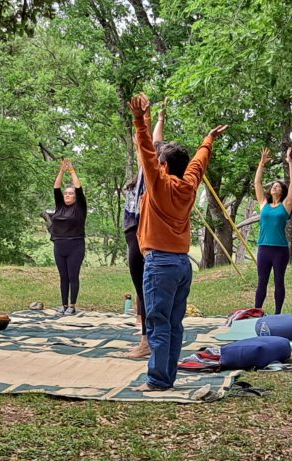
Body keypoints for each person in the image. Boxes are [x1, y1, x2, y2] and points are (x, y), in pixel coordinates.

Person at [126, 93, 227, 392]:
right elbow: (198, 163)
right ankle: (165, 378)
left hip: (160, 264)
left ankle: (157, 380)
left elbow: (145, 149)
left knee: (158, 323)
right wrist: (208, 140)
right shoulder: (189, 184)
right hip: (182, 264)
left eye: (159, 163)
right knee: (173, 323)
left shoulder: (160, 184)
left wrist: (140, 120)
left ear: (165, 167)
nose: (154, 164)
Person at [124, 103, 166, 359]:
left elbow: (149, 141)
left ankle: (146, 341)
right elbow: (155, 139)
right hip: (136, 231)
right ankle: (149, 337)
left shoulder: (152, 174)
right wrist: (159, 118)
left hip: (140, 232)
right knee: (144, 288)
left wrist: (145, 119)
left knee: (143, 288)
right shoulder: (151, 172)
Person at [253, 146, 292, 315]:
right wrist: (261, 164)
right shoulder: (264, 204)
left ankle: (277, 314)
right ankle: (256, 313)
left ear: (282, 191)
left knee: (279, 282)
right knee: (261, 282)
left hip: (280, 250)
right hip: (264, 248)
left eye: (278, 186)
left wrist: (290, 162)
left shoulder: (286, 206)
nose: (274, 187)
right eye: (273, 186)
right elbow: (257, 182)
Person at [49, 158, 87, 315]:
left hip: (75, 245)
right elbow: (56, 188)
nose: (67, 195)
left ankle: (72, 305)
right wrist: (61, 171)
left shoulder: (79, 207)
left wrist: (71, 171)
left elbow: (78, 188)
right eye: (66, 193)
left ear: (76, 197)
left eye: (71, 194)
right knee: (63, 276)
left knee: (73, 276)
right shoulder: (60, 207)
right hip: (59, 245)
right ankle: (63, 304)